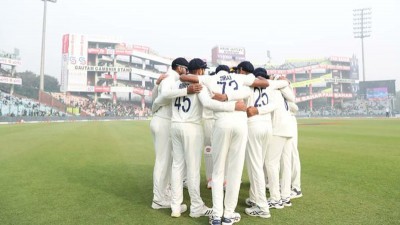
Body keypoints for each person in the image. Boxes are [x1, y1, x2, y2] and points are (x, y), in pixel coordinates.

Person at [180, 61, 273, 225]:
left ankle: (216, 215)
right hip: (240, 124)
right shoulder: (239, 77)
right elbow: (265, 82)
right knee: (235, 172)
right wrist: (234, 101)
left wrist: (225, 99)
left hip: (221, 123)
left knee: (217, 172)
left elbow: (185, 78)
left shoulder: (209, 78)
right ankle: (228, 215)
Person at [168, 58, 246, 218]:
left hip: (175, 125)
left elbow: (163, 96)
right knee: (193, 168)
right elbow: (208, 103)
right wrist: (233, 106)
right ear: (198, 71)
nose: (204, 72)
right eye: (202, 70)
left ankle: (175, 206)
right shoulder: (199, 85)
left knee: (177, 166)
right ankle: (196, 207)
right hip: (192, 127)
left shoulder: (176, 84)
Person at [150, 57, 202, 212]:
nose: (187, 73)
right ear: (179, 68)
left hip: (162, 120)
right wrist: (187, 90)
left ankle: (163, 192)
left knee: (167, 160)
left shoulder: (166, 78)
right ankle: (158, 199)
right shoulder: (170, 78)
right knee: (163, 161)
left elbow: (156, 97)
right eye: (185, 69)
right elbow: (164, 96)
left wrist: (155, 86)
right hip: (164, 121)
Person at [266, 75, 296, 209]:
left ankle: (275, 198)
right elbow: (294, 102)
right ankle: (285, 197)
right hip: (289, 128)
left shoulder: (271, 88)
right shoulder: (285, 91)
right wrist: (286, 82)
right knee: (286, 163)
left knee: (271, 163)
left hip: (278, 129)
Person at [203, 65, 231, 189]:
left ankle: (211, 180)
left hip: (208, 121)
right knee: (225, 151)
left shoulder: (209, 80)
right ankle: (224, 180)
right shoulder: (232, 81)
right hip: (222, 119)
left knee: (209, 150)